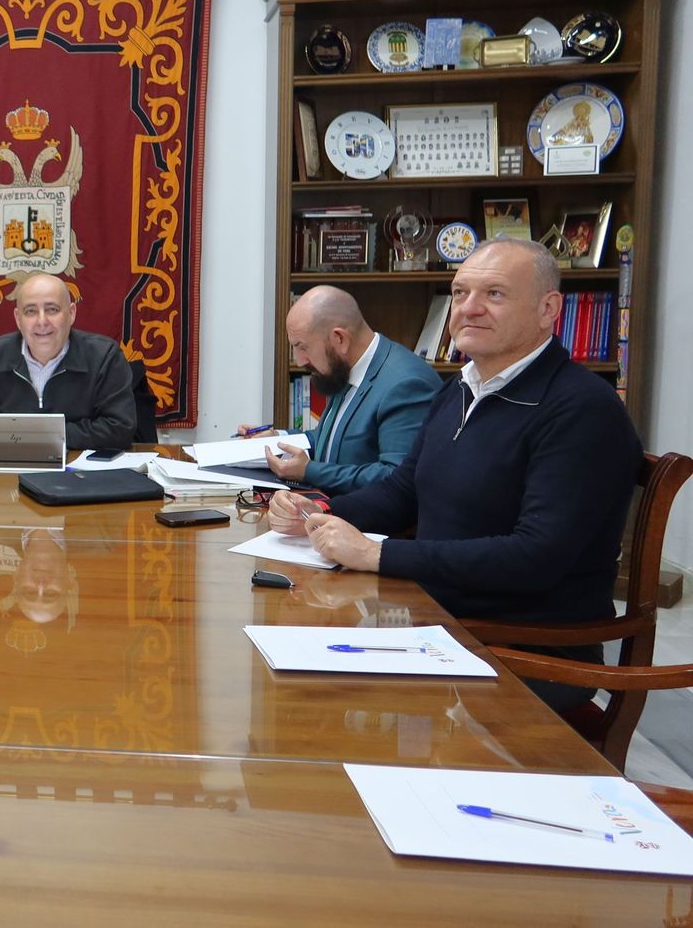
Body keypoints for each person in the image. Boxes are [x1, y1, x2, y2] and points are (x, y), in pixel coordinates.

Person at [267, 240, 641, 709]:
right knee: (285, 668)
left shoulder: (582, 410)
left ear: (549, 310)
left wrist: (377, 554)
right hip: (435, 619)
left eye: (495, 294)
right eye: (460, 292)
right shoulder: (459, 390)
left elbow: (535, 557)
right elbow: (404, 491)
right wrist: (318, 508)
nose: (470, 308)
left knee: (316, 706)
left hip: (520, 649)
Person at [238, 285, 440, 493]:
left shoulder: (406, 384)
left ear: (339, 339)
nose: (299, 361)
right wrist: (278, 438)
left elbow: (395, 477)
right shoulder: (344, 367)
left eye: (303, 347)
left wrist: (310, 471)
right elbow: (332, 440)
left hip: (368, 523)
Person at [0, 271, 136, 451]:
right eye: (30, 311)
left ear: (71, 313)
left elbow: (120, 428)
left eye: (52, 309)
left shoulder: (105, 357)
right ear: (18, 319)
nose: (42, 321)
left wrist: (42, 436)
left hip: (80, 472)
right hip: (13, 467)